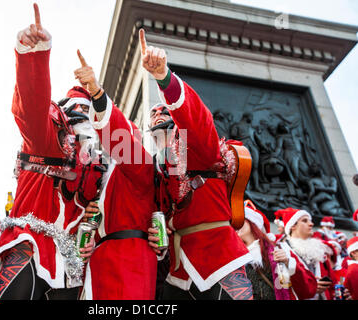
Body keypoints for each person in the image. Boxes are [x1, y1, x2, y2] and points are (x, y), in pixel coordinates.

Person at [136, 29, 253, 300]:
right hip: (177, 272)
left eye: (164, 129)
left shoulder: (200, 149)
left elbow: (196, 118)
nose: (158, 138)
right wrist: (158, 239)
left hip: (221, 261)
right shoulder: (159, 173)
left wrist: (164, 79)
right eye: (154, 134)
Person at [0, 4, 99, 300]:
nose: (83, 125)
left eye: (89, 117)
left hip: (71, 265)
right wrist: (34, 56)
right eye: (78, 115)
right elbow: (30, 106)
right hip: (31, 245)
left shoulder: (97, 169)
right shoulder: (46, 138)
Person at [74, 48, 158, 300]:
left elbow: (118, 136)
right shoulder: (100, 173)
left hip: (129, 262)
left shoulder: (141, 163)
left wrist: (98, 95)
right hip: (100, 262)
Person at [237, 201, 317, 300]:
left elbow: (308, 289)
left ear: (253, 223)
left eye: (241, 220)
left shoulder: (279, 248)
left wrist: (288, 262)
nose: (236, 224)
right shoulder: (233, 256)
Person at [277, 207, 337, 299]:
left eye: (310, 221)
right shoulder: (282, 250)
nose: (311, 224)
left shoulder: (320, 252)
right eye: (305, 221)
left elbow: (333, 284)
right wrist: (310, 286)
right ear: (293, 226)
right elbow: (280, 285)